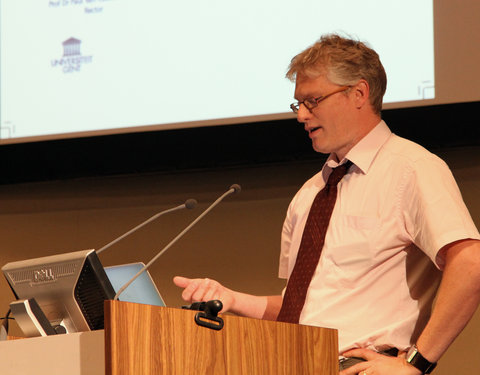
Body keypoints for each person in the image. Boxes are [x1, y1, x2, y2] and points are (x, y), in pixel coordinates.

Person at [174, 34, 480, 375]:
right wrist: (232, 299)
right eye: (297, 104)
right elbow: (304, 311)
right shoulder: (310, 194)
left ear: (359, 94)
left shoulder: (411, 169)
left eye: (313, 100)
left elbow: (470, 263)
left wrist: (417, 363)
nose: (301, 115)